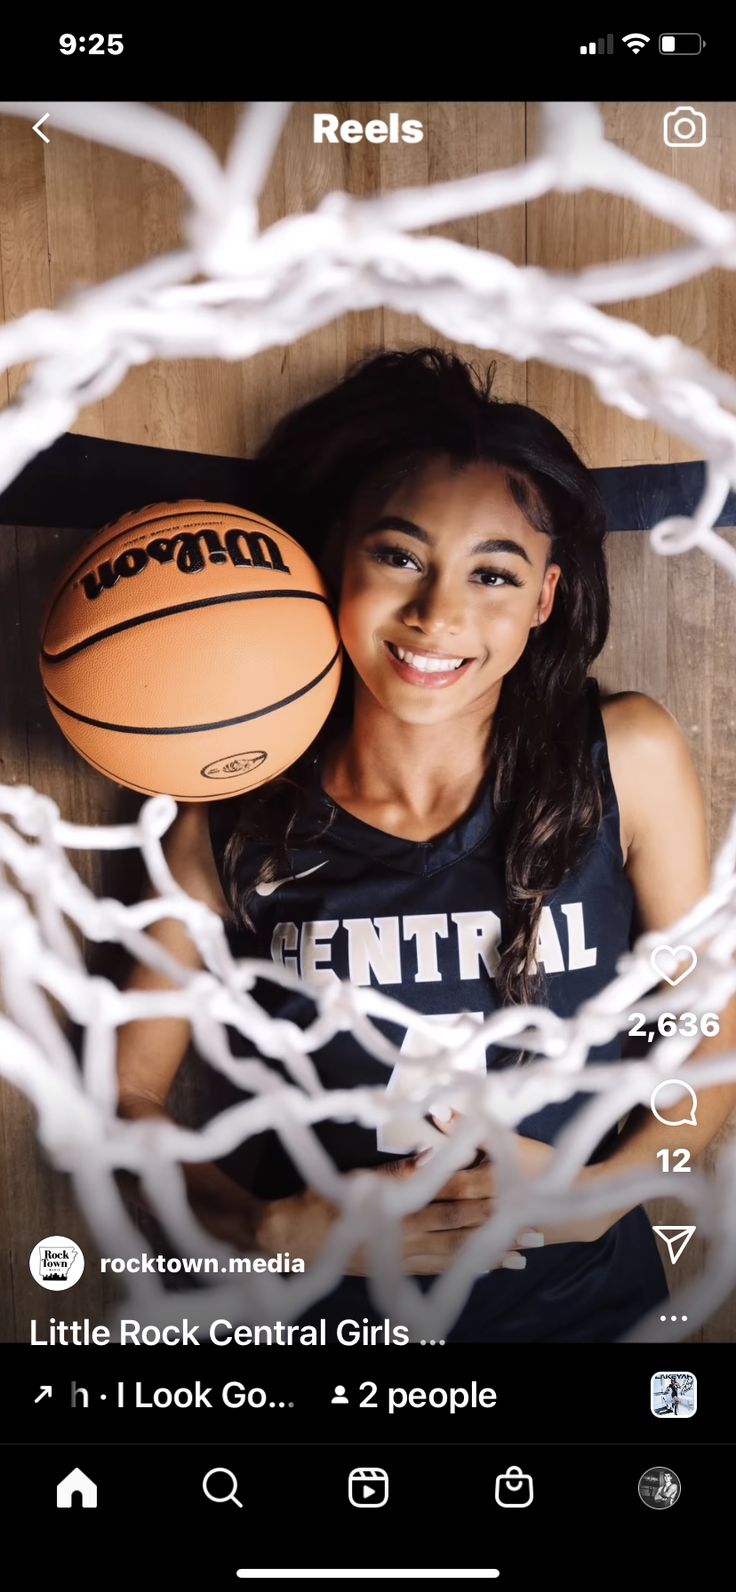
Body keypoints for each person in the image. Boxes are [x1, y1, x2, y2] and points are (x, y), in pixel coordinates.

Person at [116, 346, 736, 1343]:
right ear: (334, 555)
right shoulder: (231, 810)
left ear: (544, 599)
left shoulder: (622, 754)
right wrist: (264, 1223)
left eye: (493, 573)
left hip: (593, 1324)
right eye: (398, 554)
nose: (437, 613)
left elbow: (714, 1025)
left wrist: (608, 1190)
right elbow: (125, 1092)